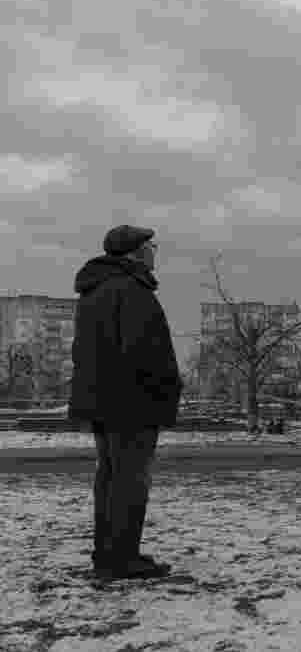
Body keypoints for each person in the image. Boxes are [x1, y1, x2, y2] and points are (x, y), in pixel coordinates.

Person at [70, 225, 183, 579]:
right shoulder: (132, 290)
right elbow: (147, 353)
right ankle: (123, 559)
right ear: (135, 251)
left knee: (109, 477)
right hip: (132, 402)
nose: (154, 252)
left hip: (101, 400)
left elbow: (82, 352)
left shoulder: (94, 291)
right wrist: (167, 389)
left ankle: (107, 554)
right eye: (151, 246)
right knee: (130, 480)